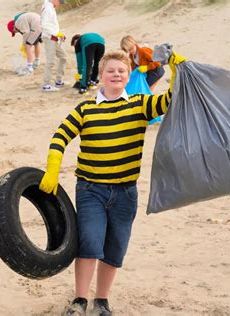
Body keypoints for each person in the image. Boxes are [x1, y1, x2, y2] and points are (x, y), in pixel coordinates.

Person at [39, 49, 185, 315]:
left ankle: (102, 301)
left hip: (125, 192)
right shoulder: (86, 109)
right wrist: (53, 167)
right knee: (90, 244)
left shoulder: (141, 103)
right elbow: (60, 135)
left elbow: (170, 101)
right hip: (90, 190)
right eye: (111, 71)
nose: (116, 74)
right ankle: (80, 300)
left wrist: (177, 70)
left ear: (129, 76)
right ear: (101, 76)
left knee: (115, 248)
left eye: (121, 71)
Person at [41, 0, 67, 92]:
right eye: (60, 2)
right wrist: (57, 33)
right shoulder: (48, 8)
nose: (60, 4)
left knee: (63, 57)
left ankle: (59, 80)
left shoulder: (51, 7)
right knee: (50, 61)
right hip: (49, 38)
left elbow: (52, 25)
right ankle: (46, 84)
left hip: (54, 38)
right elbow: (44, 25)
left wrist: (60, 35)